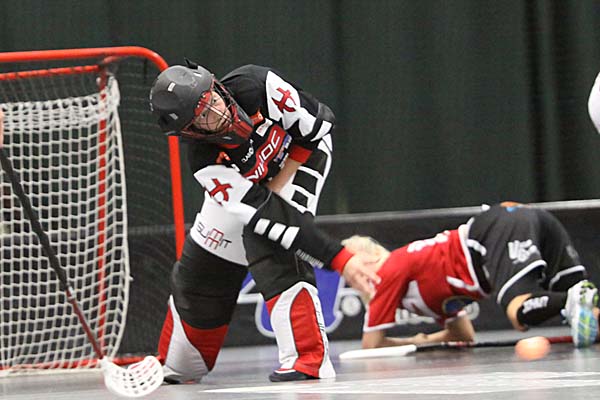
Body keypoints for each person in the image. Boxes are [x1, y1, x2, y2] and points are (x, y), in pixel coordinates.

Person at [149, 61, 380, 383]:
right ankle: (178, 366)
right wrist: (267, 194)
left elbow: (319, 126)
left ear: (216, 85)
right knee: (202, 270)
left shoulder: (255, 85)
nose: (217, 113)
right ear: (190, 133)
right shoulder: (205, 162)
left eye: (211, 99)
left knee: (269, 239)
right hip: (254, 187)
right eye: (202, 116)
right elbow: (260, 208)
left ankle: (308, 360)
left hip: (302, 155)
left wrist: (339, 259)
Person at [342, 202, 599, 349]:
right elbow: (463, 334)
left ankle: (572, 298)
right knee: (591, 314)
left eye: (350, 272)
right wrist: (422, 340)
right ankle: (576, 297)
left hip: (493, 231)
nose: (353, 282)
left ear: (369, 260)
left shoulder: (387, 272)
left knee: (518, 311)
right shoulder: (413, 281)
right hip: (530, 219)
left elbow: (370, 346)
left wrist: (409, 343)